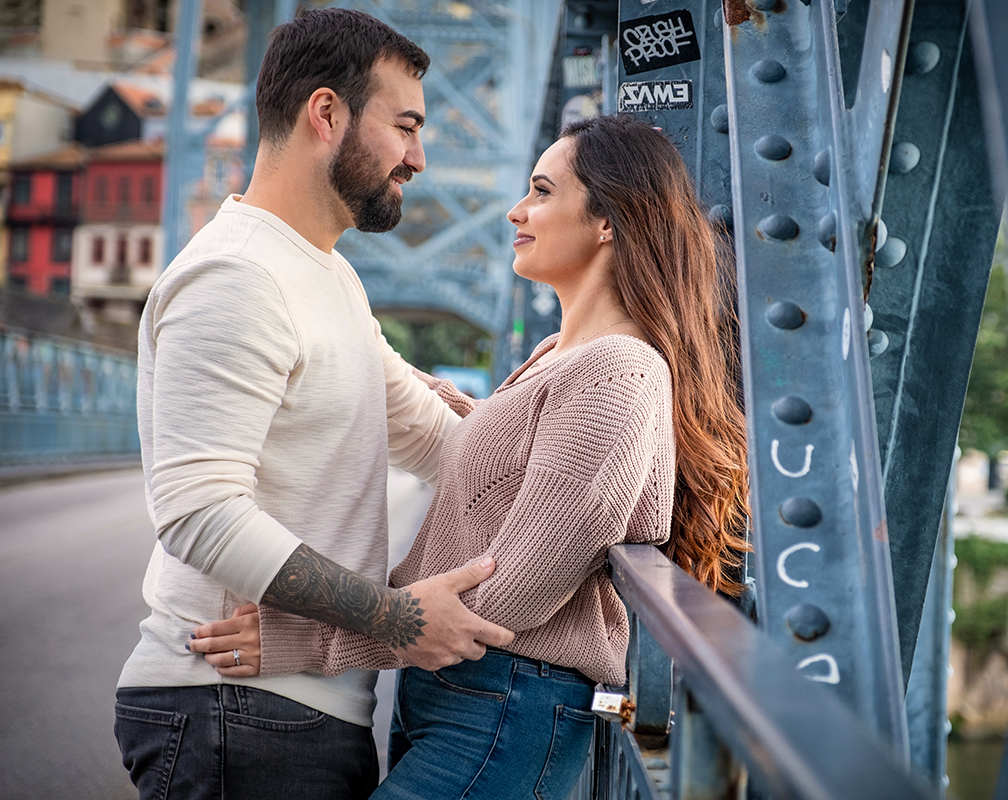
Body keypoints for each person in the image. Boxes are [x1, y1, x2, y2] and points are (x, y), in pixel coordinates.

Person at [192, 115, 751, 800]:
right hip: (462, 693)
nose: (517, 210)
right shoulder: (560, 357)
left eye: (542, 192)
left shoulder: (620, 373)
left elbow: (507, 597)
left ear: (609, 220)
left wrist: (310, 638)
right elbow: (506, 459)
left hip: (508, 699)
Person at [113, 9, 514, 800]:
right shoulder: (237, 276)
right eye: (404, 127)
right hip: (231, 711)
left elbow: (439, 439)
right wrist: (397, 620)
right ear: (326, 114)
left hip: (285, 715)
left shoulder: (327, 276)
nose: (419, 158)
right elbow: (198, 511)